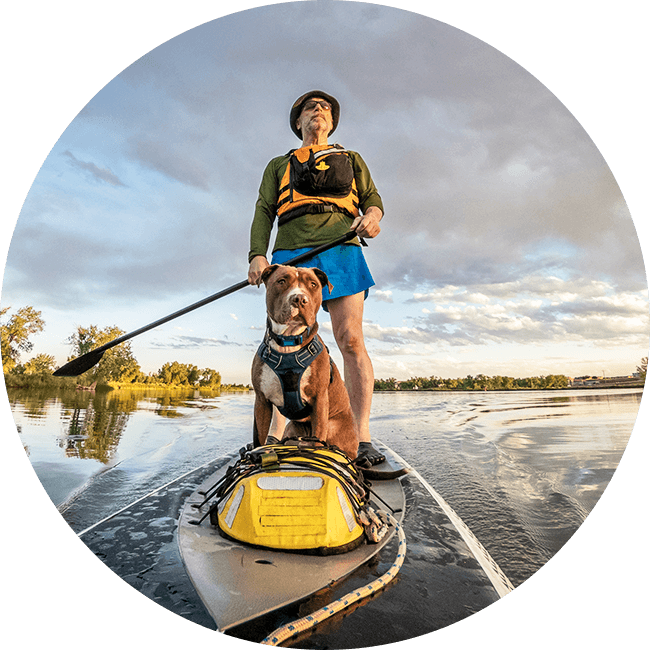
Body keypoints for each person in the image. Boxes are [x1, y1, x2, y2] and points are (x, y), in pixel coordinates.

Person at [247, 90, 385, 466]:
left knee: (350, 339)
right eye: (310, 107)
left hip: (342, 250)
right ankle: (272, 439)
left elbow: (373, 200)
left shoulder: (352, 159)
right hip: (291, 253)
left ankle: (362, 435)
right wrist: (258, 254)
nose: (318, 111)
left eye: (325, 108)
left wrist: (372, 217)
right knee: (281, 344)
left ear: (332, 122)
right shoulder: (279, 164)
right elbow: (264, 210)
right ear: (298, 122)